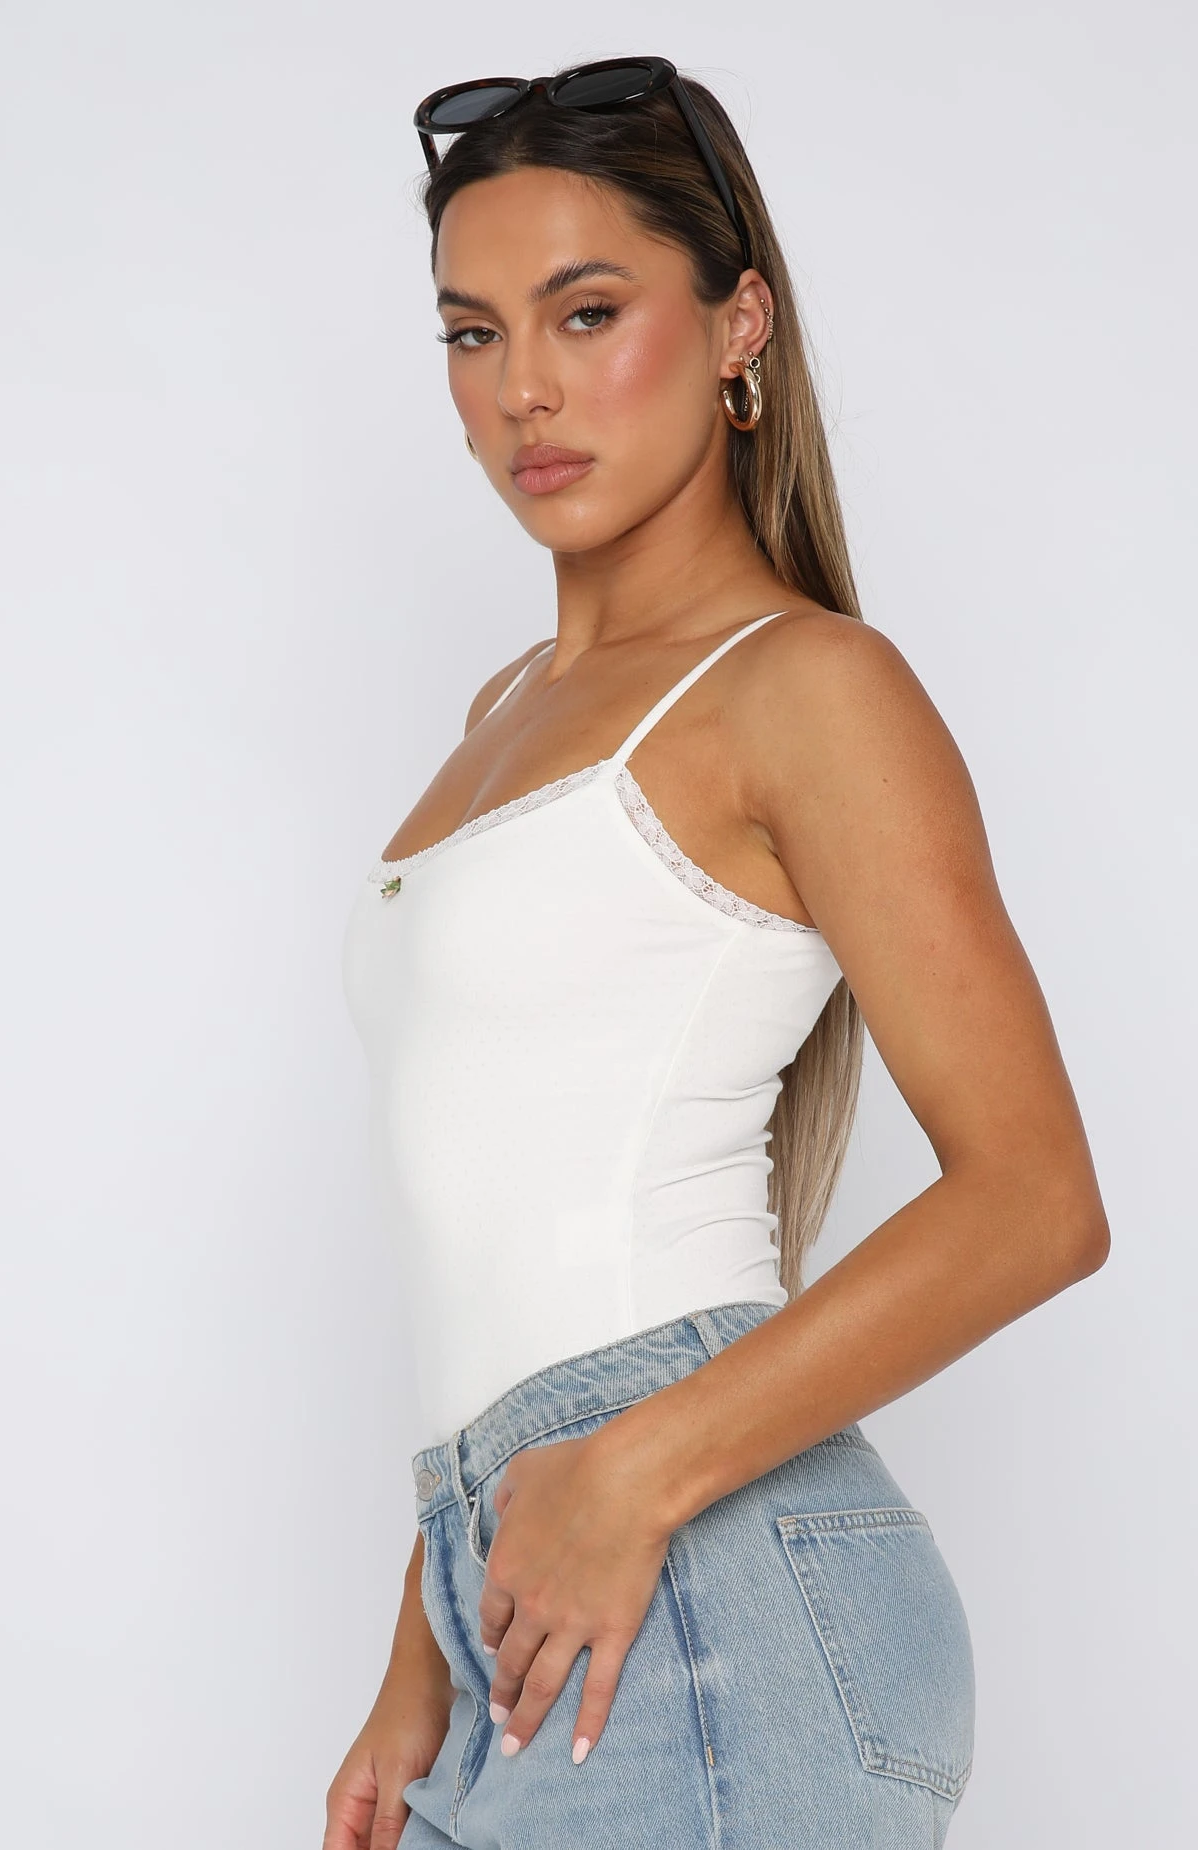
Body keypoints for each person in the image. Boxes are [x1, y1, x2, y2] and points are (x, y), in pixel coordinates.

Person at [326, 57, 1110, 1850]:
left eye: (586, 312)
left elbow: (1038, 1196)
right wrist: (419, 1650)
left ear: (737, 322)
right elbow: (498, 1215)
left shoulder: (805, 688)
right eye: (471, 332)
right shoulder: (504, 710)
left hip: (703, 1581)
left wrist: (633, 1471)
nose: (522, 388)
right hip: (530, 1568)